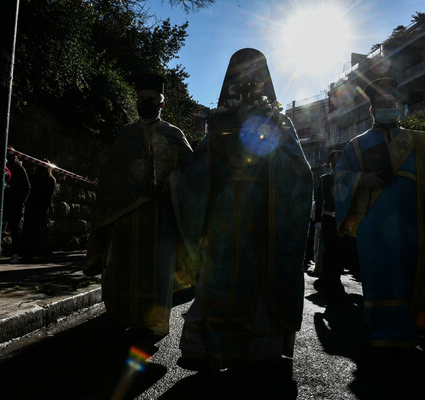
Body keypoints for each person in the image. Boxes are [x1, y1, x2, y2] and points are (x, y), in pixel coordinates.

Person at [171, 48, 313, 372]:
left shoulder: (279, 122)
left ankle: (256, 350)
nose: (247, 86)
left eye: (253, 79)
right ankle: (206, 348)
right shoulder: (218, 122)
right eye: (240, 79)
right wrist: (186, 172)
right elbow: (198, 169)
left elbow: (299, 172)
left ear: (264, 83)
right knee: (214, 278)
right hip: (220, 216)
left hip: (262, 214)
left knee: (259, 281)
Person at [333, 77, 425, 396]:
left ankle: (407, 333)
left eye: (391, 103)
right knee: (379, 278)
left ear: (397, 106)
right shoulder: (356, 145)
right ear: (372, 109)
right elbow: (340, 179)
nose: (387, 108)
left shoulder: (421, 142)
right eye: (381, 104)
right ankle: (380, 336)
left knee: (408, 275)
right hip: (374, 226)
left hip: (413, 224)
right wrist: (363, 178)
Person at [83, 72, 193, 347]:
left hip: (160, 219)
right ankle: (121, 318)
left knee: (156, 271)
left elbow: (192, 172)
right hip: (125, 219)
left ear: (162, 103)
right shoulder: (125, 135)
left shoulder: (173, 134)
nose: (145, 103)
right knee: (122, 269)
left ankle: (150, 325)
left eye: (151, 99)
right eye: (141, 99)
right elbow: (111, 177)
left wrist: (173, 183)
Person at [313, 149, 356, 302]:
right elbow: (319, 201)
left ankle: (336, 277)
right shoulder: (324, 179)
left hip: (342, 219)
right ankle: (326, 277)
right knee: (328, 250)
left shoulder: (348, 179)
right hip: (327, 219)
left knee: (340, 250)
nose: (336, 164)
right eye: (334, 161)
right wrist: (317, 219)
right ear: (330, 164)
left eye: (339, 161)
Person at [20, 159, 56, 261]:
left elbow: (46, 195)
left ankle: (32, 252)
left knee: (33, 229)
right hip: (39, 206)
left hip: (37, 206)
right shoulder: (48, 179)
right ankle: (41, 251)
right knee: (39, 229)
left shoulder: (40, 178)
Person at [3, 150, 30, 263]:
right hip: (5, 203)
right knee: (1, 227)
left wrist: (20, 201)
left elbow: (27, 187)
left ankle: (15, 253)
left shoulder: (19, 169)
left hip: (14, 204)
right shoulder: (5, 166)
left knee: (14, 229)